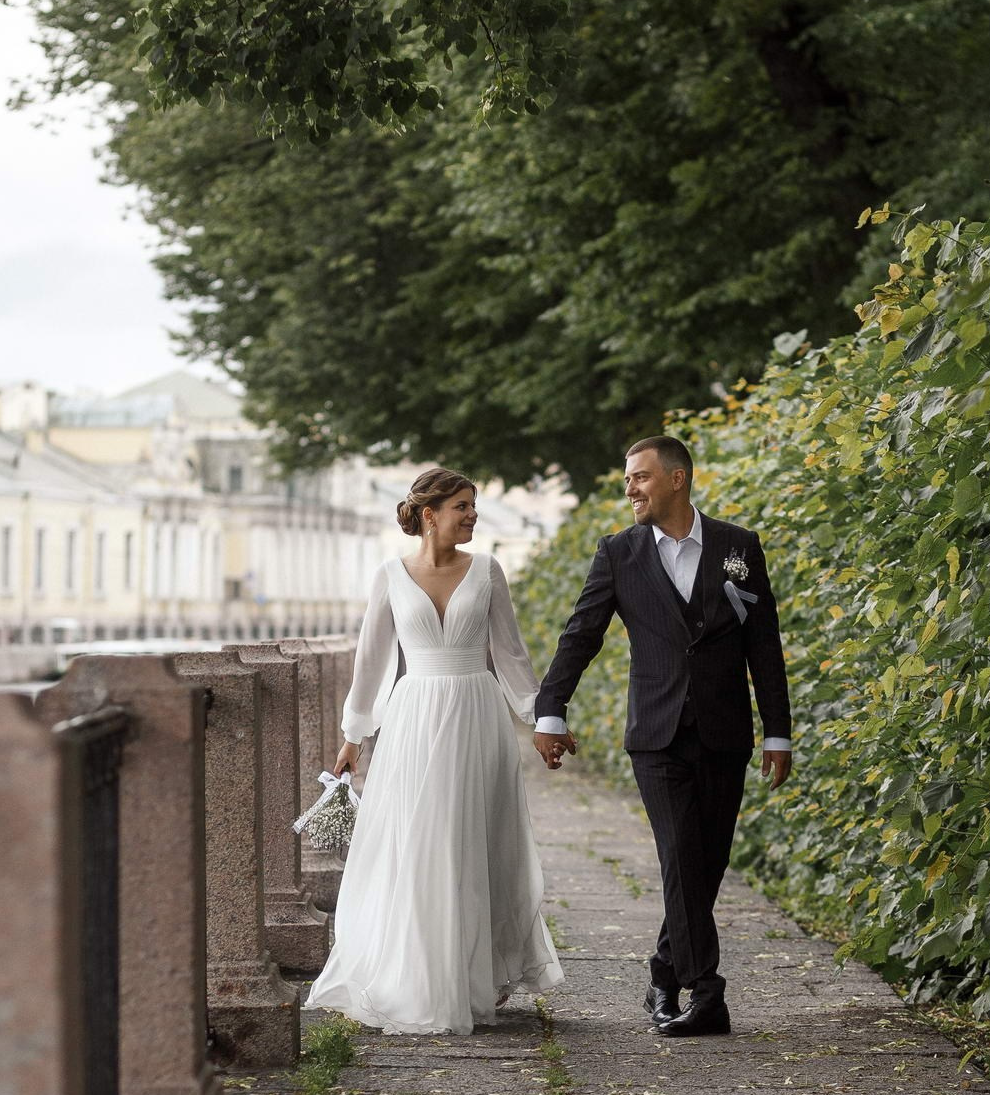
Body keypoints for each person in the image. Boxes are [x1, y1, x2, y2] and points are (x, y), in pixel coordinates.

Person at [532, 435, 792, 1037]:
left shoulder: (738, 546)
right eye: (628, 478)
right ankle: (707, 993)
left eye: (641, 477)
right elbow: (581, 634)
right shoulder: (618, 553)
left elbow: (763, 643)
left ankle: (662, 976)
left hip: (726, 731)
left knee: (708, 863)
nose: (630, 487)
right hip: (656, 733)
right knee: (680, 856)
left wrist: (777, 731)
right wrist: (551, 711)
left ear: (678, 479)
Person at [306, 466, 565, 1035]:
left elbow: (511, 655)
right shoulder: (390, 575)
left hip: (477, 713)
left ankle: (476, 976)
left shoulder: (488, 570)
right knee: (421, 840)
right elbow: (371, 661)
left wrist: (542, 718)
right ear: (430, 515)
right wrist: (353, 736)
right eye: (462, 506)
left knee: (476, 839)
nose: (472, 515)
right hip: (414, 718)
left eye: (473, 506)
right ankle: (423, 976)